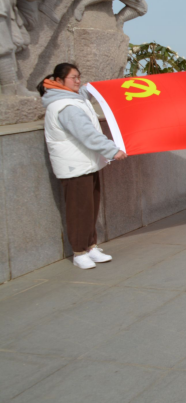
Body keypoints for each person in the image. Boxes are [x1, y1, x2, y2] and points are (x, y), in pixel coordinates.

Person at [38, 63, 126, 269]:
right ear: (59, 81)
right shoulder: (65, 106)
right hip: (74, 167)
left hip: (86, 163)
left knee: (90, 207)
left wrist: (107, 86)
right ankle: (79, 252)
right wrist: (111, 150)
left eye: (79, 77)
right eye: (73, 78)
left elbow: (88, 91)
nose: (78, 81)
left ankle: (90, 246)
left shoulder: (73, 98)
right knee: (79, 210)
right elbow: (86, 133)